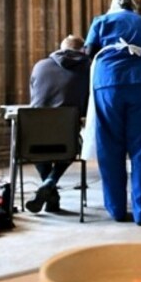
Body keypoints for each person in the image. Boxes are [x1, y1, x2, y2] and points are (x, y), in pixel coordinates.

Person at [83, 0, 141, 225]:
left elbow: (89, 52)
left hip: (108, 82)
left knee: (109, 146)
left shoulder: (101, 22)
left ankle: (117, 210)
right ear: (134, 7)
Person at [25, 35, 90, 213]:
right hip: (66, 141)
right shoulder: (87, 67)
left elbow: (35, 100)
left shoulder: (40, 65)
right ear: (83, 50)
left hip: (34, 141)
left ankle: (51, 196)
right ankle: (51, 182)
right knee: (75, 144)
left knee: (39, 148)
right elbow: (87, 105)